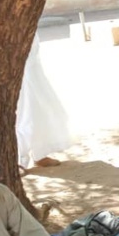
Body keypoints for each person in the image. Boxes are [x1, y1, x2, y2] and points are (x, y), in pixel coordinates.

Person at [16, 33, 75, 170]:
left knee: (39, 103)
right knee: (23, 109)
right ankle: (19, 158)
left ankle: (40, 153)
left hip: (28, 45)